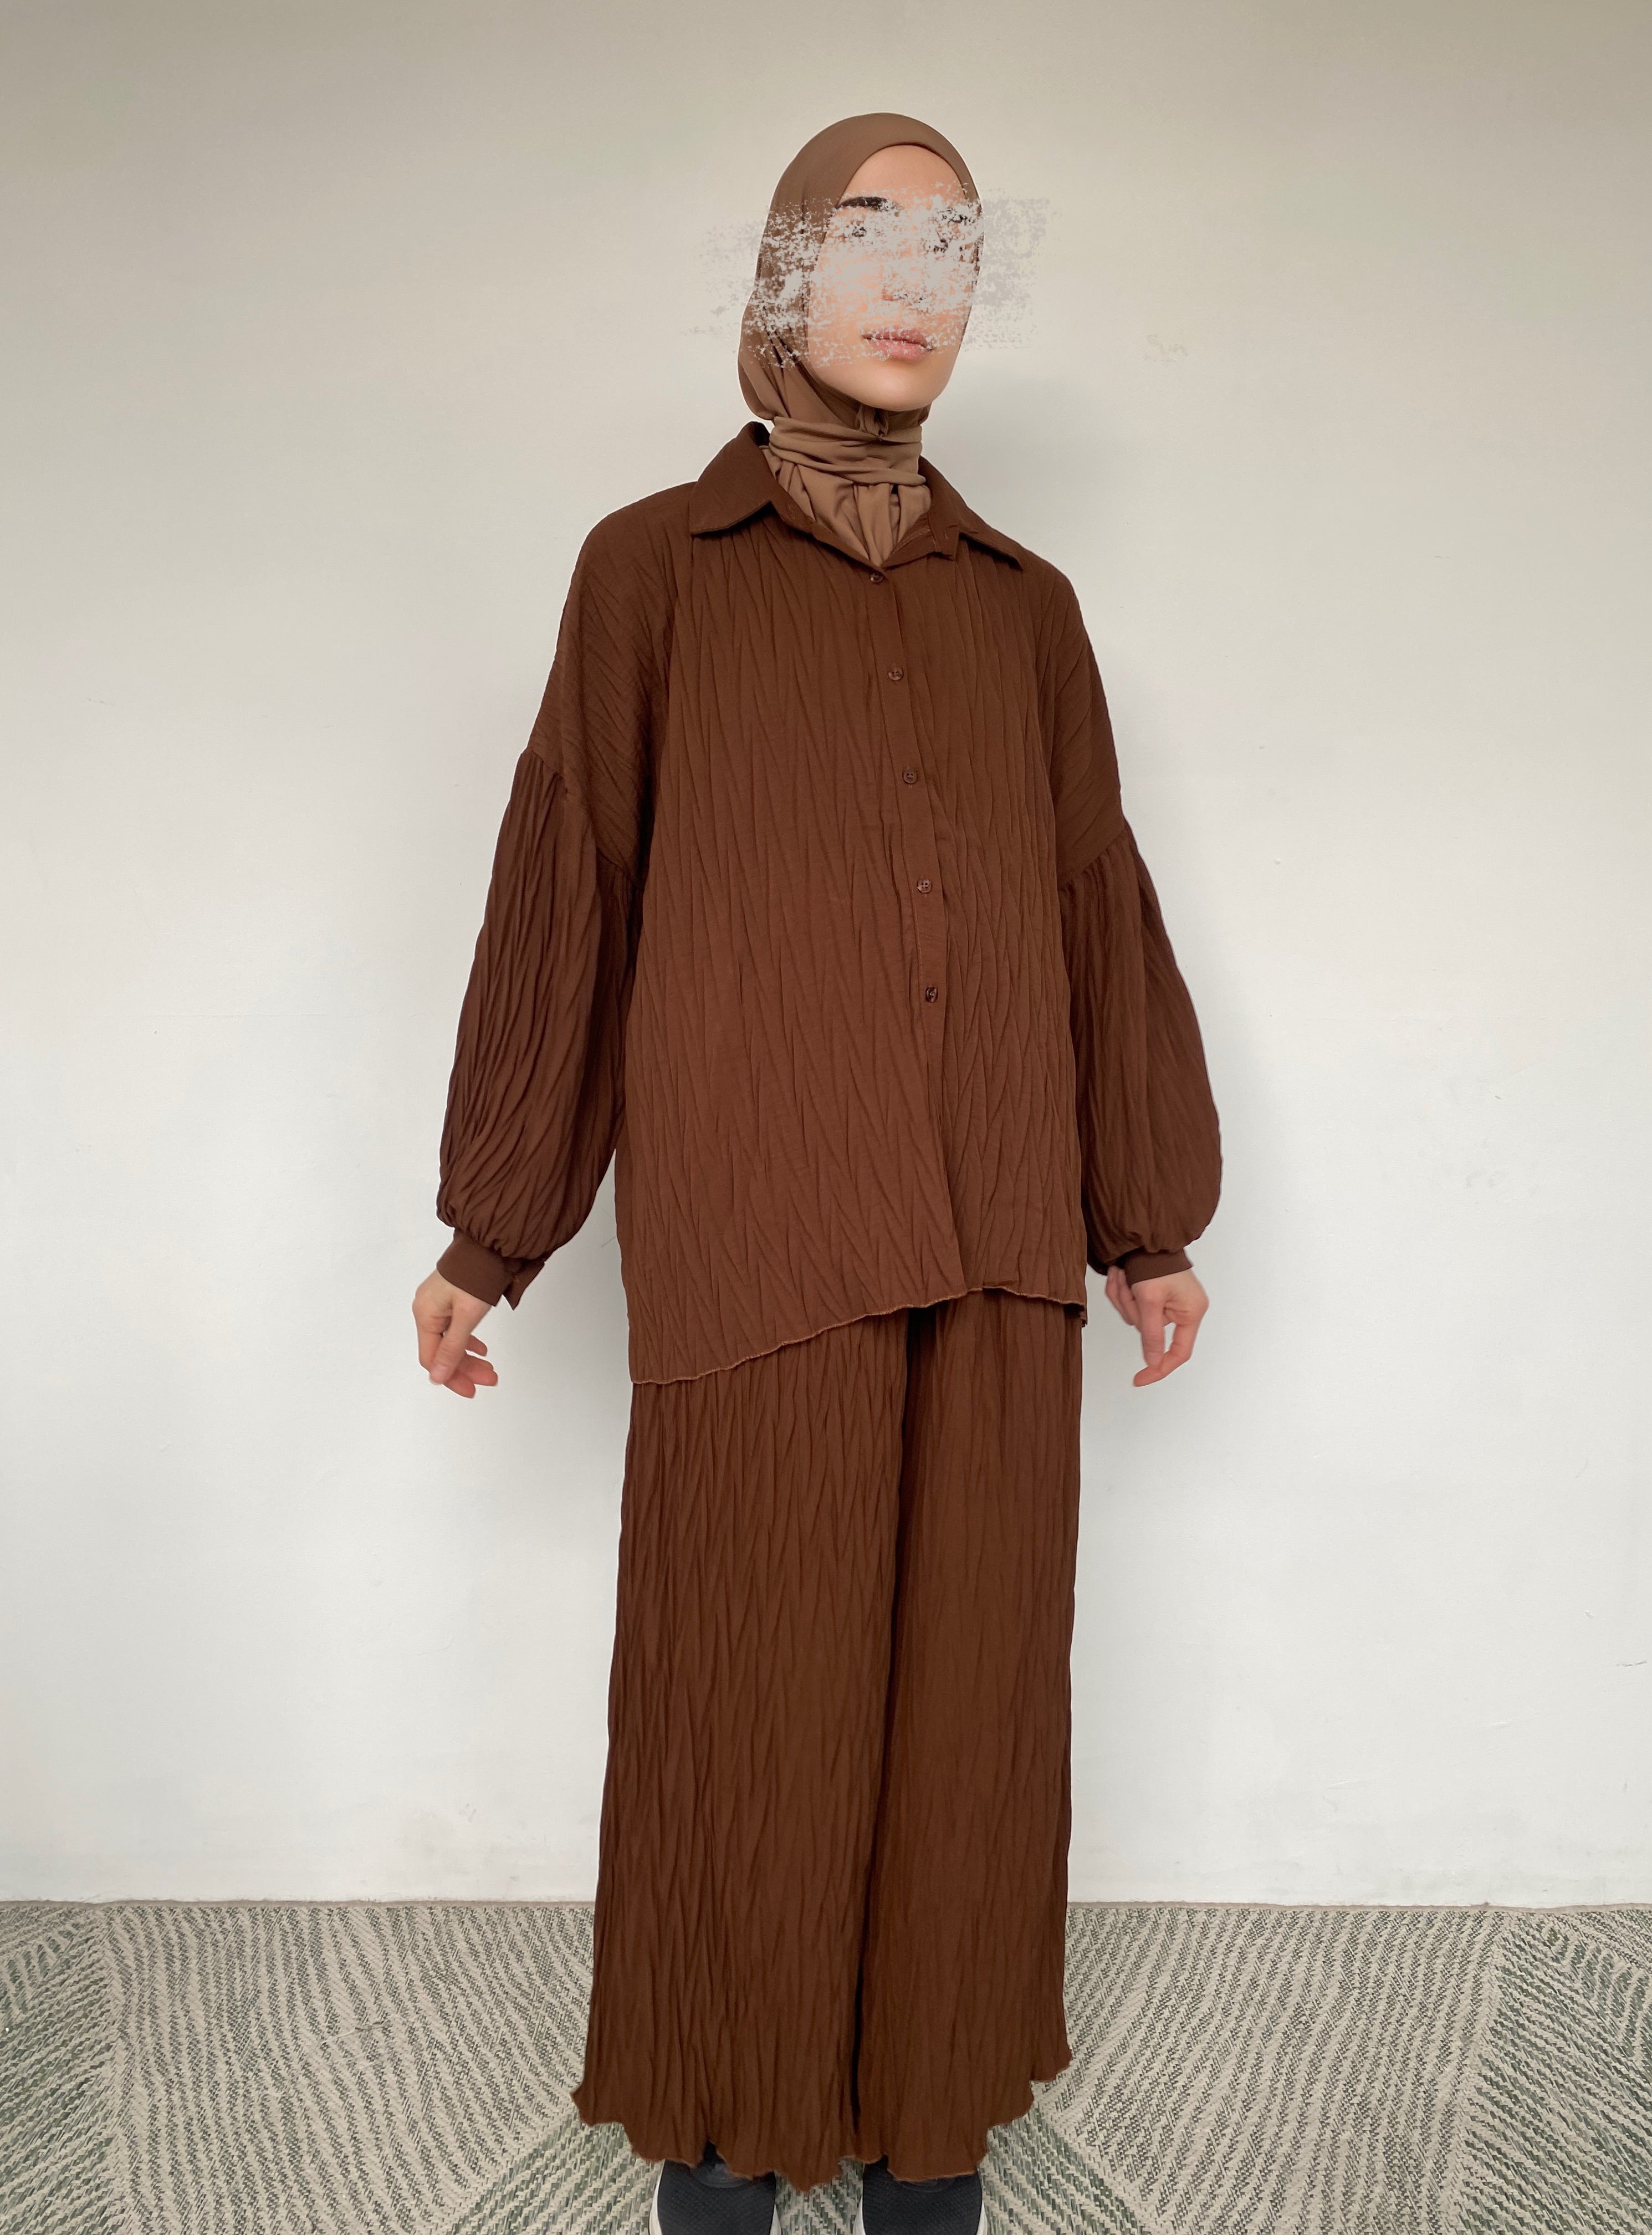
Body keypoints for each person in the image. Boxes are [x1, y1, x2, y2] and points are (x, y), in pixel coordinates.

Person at [412, 112, 1220, 2235]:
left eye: (952, 250)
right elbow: (576, 889)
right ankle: (725, 2165)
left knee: (968, 1734)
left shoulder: (1025, 609)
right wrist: (496, 1227)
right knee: (750, 1713)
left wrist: (1144, 1217)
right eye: (866, 238)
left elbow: (1091, 901)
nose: (910, 286)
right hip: (764, 1227)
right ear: (783, 271)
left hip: (998, 1229)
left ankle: (927, 2155)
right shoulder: (651, 572)